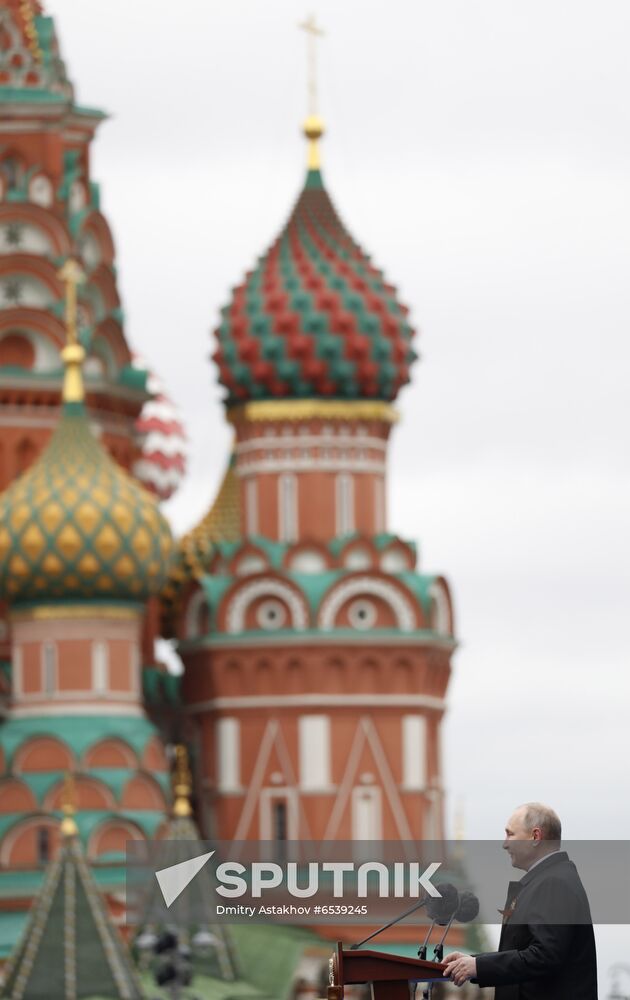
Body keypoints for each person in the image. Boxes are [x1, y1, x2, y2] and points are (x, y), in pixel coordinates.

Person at [442, 802, 597, 998]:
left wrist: (479, 966)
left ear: (535, 836)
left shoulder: (554, 883)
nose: (504, 844)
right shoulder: (547, 880)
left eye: (510, 834)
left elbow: (545, 955)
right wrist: (473, 962)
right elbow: (524, 951)